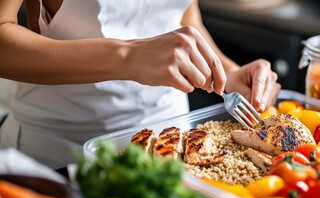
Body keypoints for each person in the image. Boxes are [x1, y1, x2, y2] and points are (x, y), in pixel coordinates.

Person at [0, 0, 281, 169]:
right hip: (61, 155)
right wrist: (127, 55)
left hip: (175, 148)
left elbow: (183, 16)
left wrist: (225, 72)